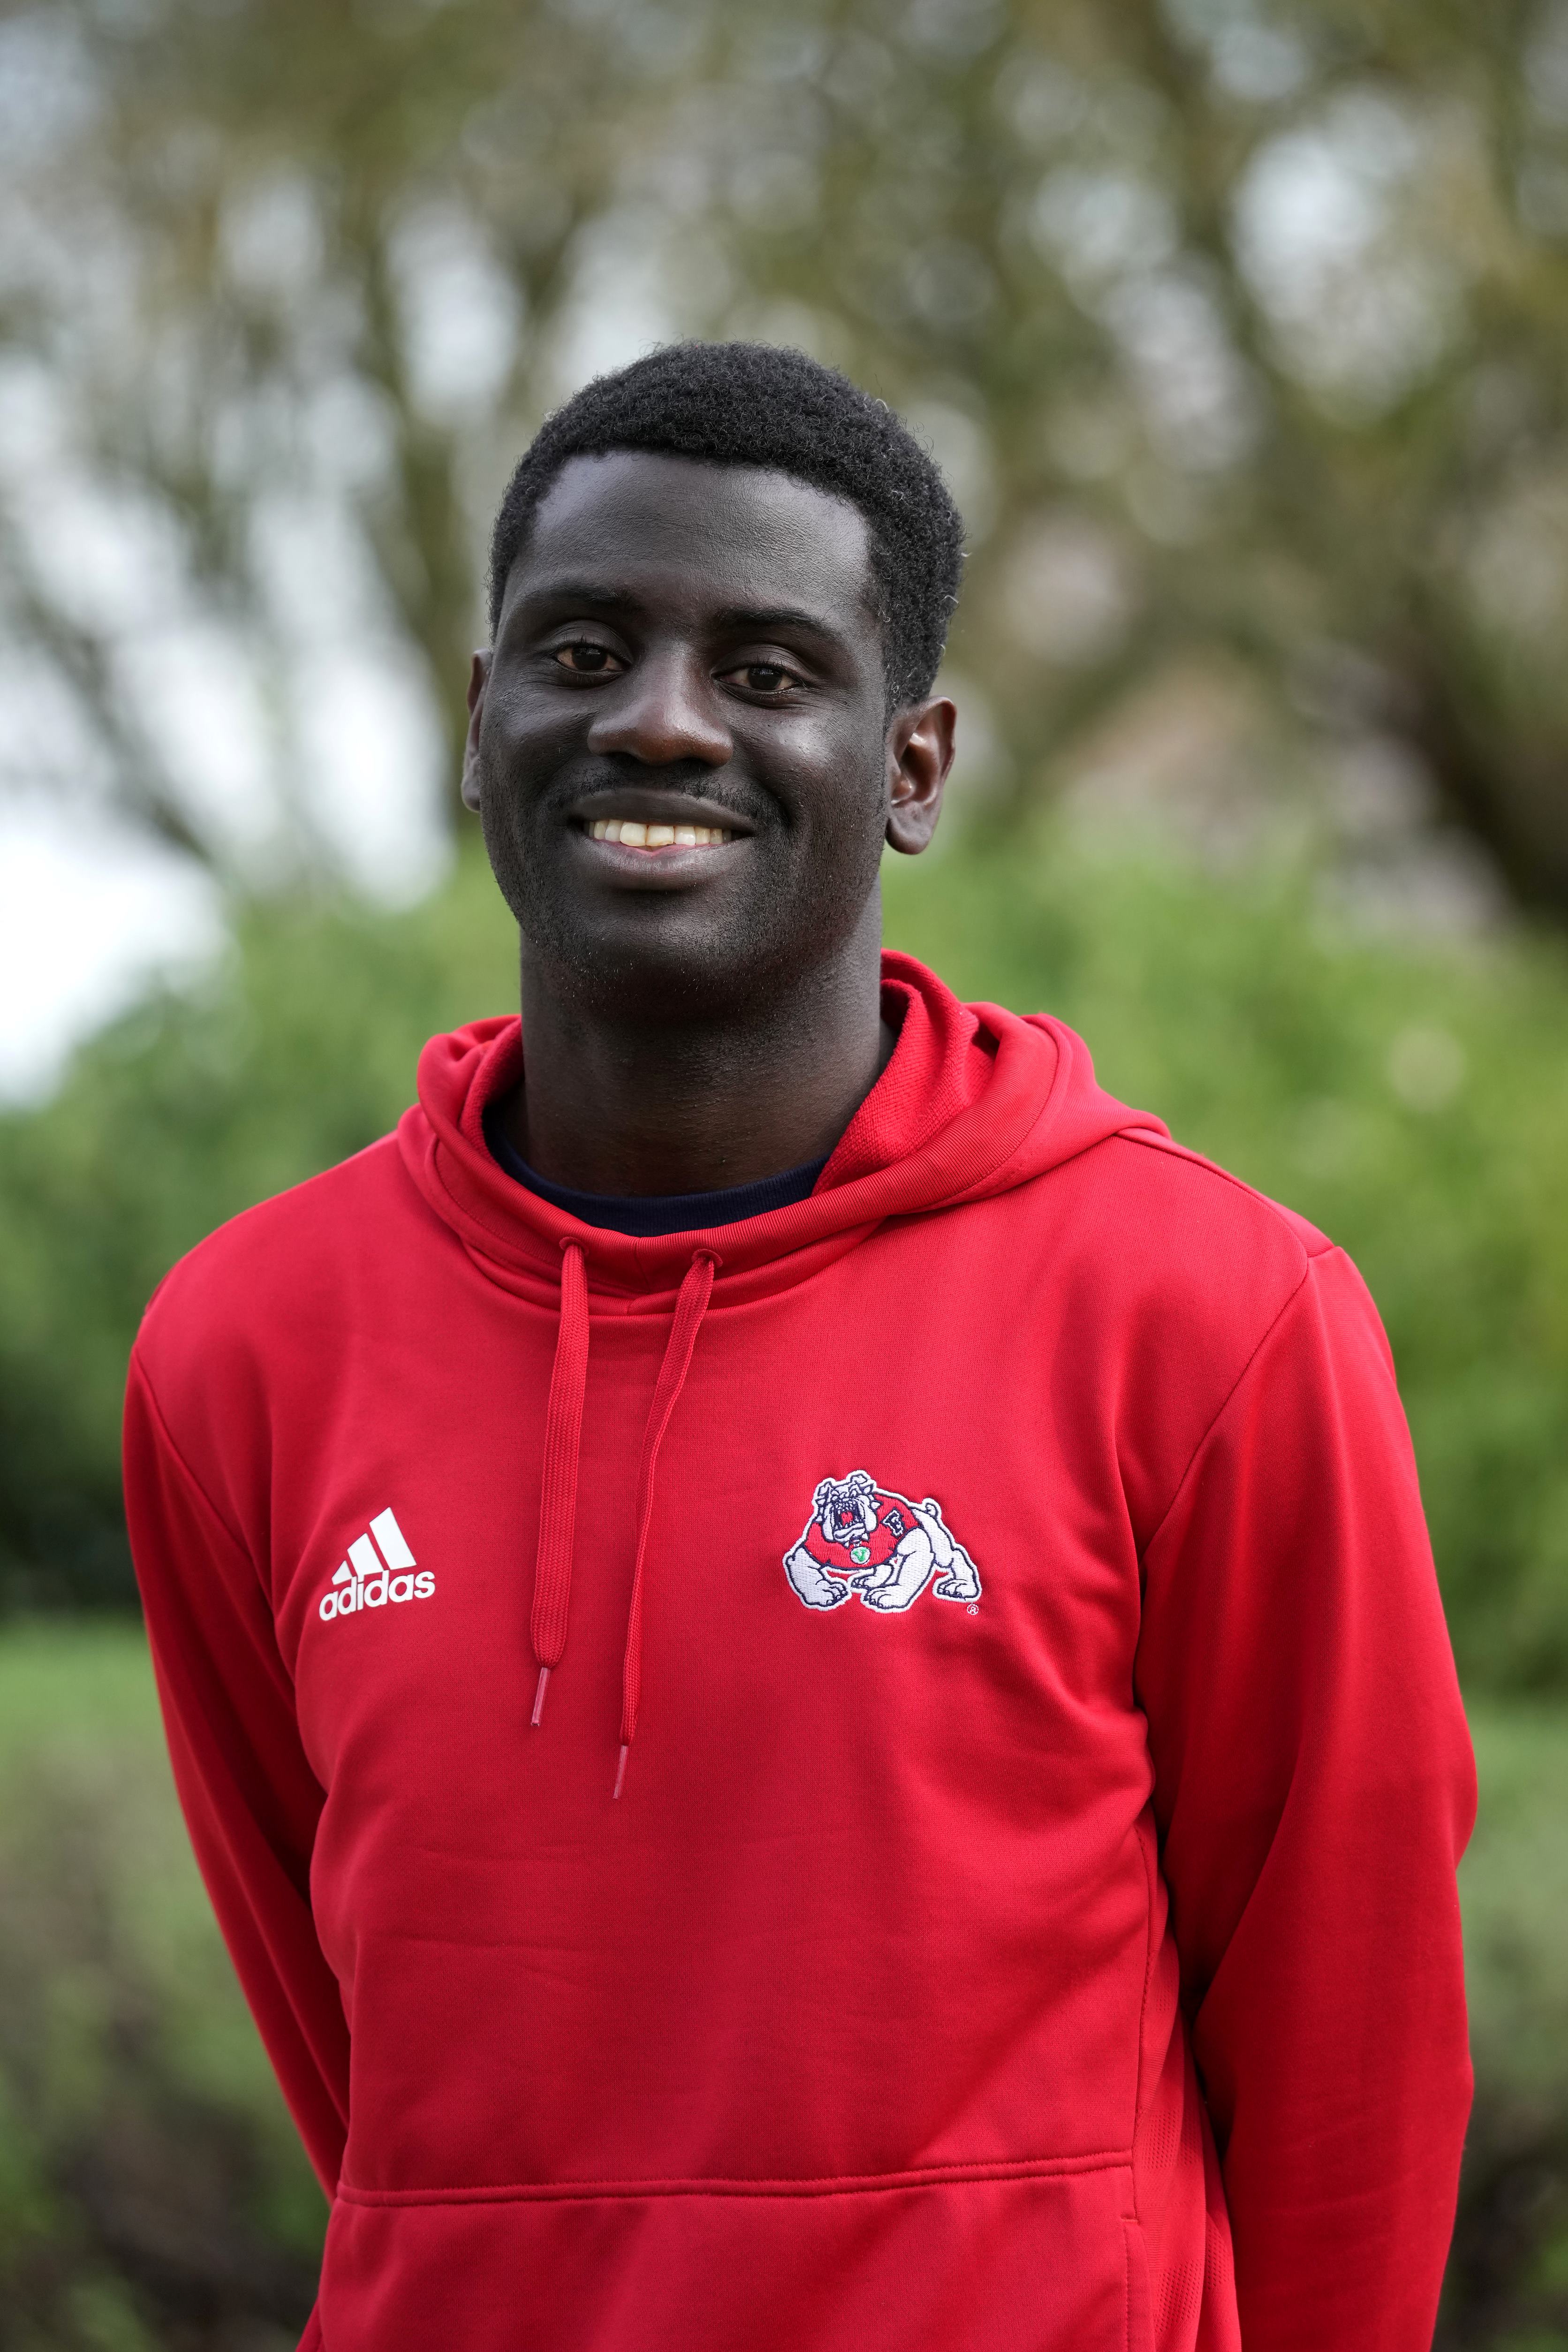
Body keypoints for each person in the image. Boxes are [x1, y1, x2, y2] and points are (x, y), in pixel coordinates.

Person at [123, 341, 1475, 2352]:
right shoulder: (243, 1346)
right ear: (479, 722)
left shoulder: (1206, 1314)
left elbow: (1346, 2045)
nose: (658, 722)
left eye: (764, 673)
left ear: (909, 767)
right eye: (581, 649)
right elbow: (371, 2091)